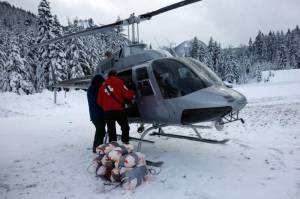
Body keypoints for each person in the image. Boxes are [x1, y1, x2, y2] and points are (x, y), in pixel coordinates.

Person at [97, 70, 135, 144]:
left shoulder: (103, 86)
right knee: (125, 127)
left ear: (108, 76)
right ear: (116, 75)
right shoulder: (119, 82)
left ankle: (113, 146)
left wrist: (106, 107)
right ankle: (125, 142)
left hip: (108, 112)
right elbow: (127, 94)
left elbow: (99, 101)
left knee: (111, 130)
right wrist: (133, 92)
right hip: (119, 111)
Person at [87, 75, 106, 153]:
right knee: (101, 131)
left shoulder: (94, 89)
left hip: (98, 114)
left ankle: (96, 147)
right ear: (97, 82)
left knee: (100, 130)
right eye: (101, 82)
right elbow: (98, 101)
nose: (102, 84)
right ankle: (98, 147)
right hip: (97, 115)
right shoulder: (93, 90)